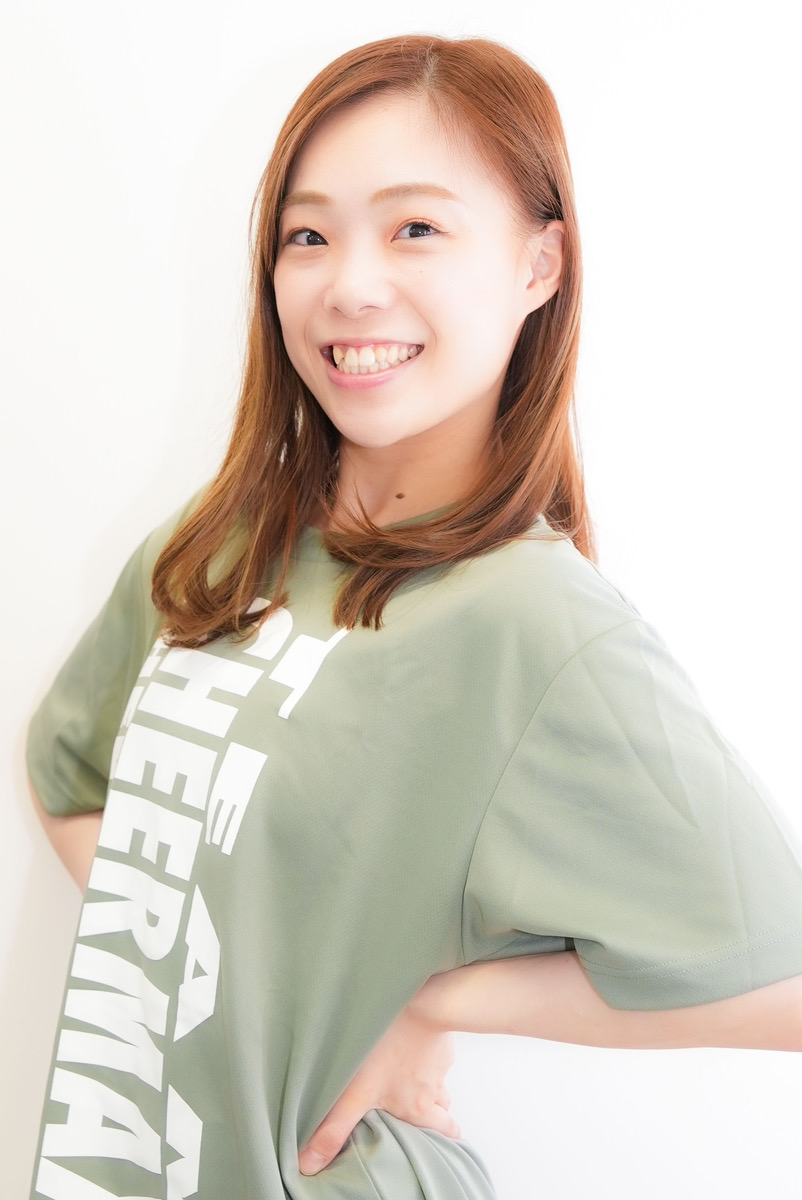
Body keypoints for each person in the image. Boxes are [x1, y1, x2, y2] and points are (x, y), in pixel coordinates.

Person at [26, 32, 802, 1200]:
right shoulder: (219, 542)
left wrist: (430, 1001)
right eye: (308, 235)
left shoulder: (535, 625)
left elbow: (783, 983)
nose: (349, 284)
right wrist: (227, 963)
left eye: (416, 228)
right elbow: (72, 777)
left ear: (540, 264)